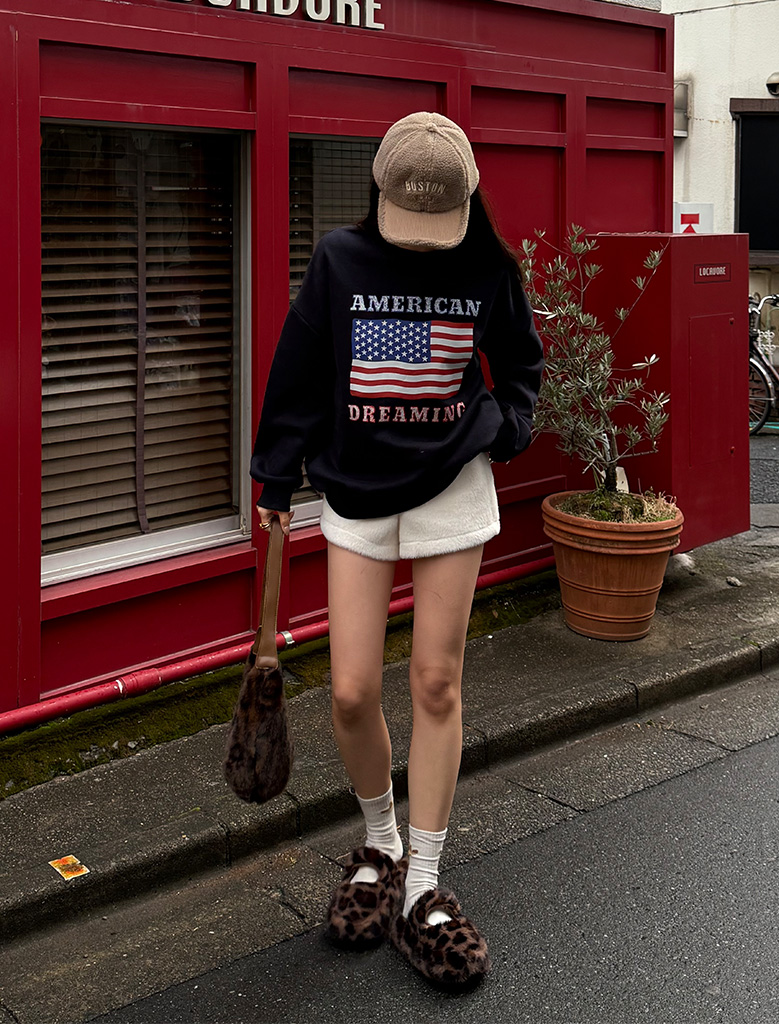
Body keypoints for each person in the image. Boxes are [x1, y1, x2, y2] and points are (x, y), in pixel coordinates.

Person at [251, 111, 544, 988]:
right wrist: (275, 478)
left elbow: (520, 362)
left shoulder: (488, 267)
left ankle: (423, 881)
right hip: (355, 486)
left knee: (436, 681)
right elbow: (299, 372)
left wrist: (508, 426)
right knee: (349, 691)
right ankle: (379, 843)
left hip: (452, 483)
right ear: (378, 193)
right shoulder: (339, 261)